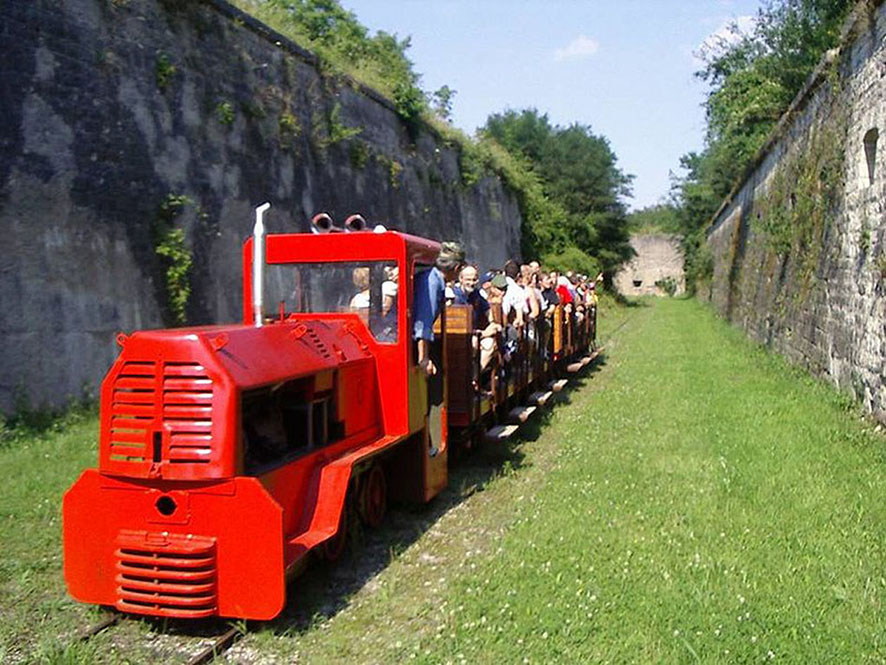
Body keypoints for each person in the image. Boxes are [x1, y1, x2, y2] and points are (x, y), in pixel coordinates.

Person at [413, 241, 465, 376]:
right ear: (457, 268)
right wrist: (423, 359)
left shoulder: (433, 278)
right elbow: (423, 322)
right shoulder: (432, 282)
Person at [451, 265, 501, 370]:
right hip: (458, 336)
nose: (471, 283)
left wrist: (491, 322)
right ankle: (466, 375)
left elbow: (487, 308)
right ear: (461, 279)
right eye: (468, 279)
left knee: (489, 344)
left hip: (476, 333)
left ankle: (475, 375)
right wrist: (479, 333)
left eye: (474, 279)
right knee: (473, 342)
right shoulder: (454, 295)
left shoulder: (476, 294)